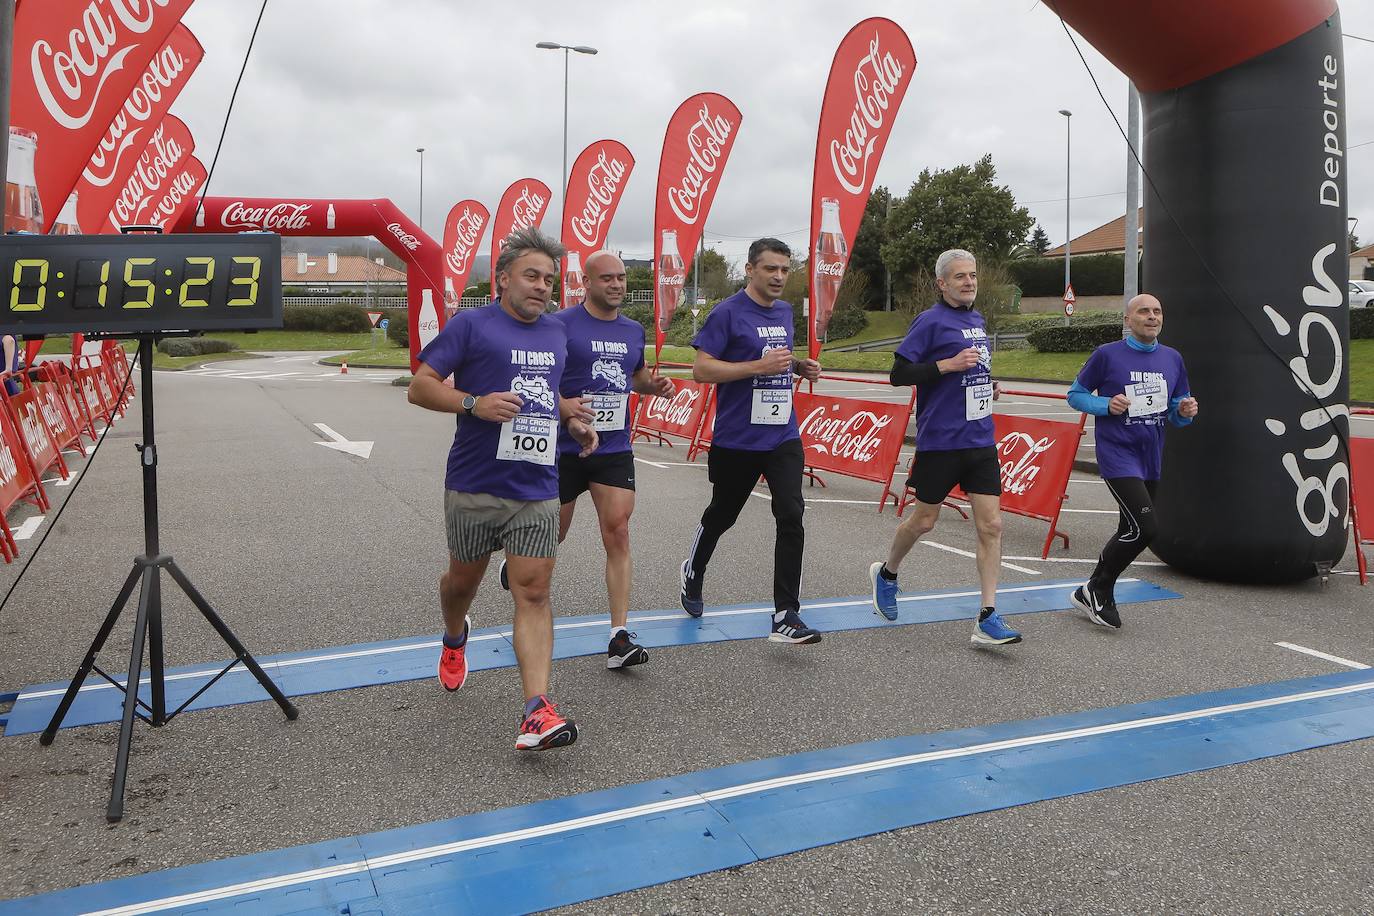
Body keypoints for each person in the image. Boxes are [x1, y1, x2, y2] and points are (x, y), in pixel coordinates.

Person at [408, 227, 599, 751]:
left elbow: (550, 396)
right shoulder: (472, 325)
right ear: (503, 279)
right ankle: (454, 635)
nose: (542, 287)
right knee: (461, 582)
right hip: (475, 483)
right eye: (532, 276)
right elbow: (420, 387)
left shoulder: (558, 333)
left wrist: (573, 421)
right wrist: (473, 403)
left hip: (537, 485)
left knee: (533, 591)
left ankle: (537, 710)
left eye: (550, 280)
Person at [499, 251, 676, 669]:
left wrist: (654, 385)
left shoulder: (634, 330)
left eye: (622, 278)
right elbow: (542, 377)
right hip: (561, 449)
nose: (617, 285)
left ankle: (619, 637)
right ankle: (523, 593)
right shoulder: (559, 324)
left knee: (617, 530)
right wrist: (566, 409)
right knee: (549, 540)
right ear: (587, 282)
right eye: (608, 278)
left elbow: (634, 375)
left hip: (613, 448)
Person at [868, 249, 1022, 646]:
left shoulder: (977, 319)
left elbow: (975, 368)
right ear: (942, 283)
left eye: (972, 275)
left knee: (992, 525)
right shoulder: (930, 322)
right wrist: (946, 366)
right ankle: (887, 573)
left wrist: (989, 384)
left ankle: (987, 616)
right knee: (923, 522)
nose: (969, 282)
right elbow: (898, 375)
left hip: (981, 439)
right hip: (942, 442)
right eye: (960, 277)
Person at [679, 237, 823, 644]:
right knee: (723, 514)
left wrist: (798, 365)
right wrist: (758, 366)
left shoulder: (785, 312)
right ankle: (693, 571)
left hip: (782, 434)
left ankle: (786, 613)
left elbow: (776, 357)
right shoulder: (726, 314)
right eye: (770, 268)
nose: (778, 276)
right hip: (738, 438)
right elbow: (702, 371)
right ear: (750, 269)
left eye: (784, 269)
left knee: (791, 513)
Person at [1066, 293, 1198, 628]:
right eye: (1143, 312)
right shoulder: (1107, 355)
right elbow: (1075, 395)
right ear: (1128, 320)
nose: (1151, 317)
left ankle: (1091, 591)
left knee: (1130, 527)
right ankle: (1099, 588)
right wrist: (1105, 405)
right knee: (1146, 527)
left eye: (1157, 311)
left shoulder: (1172, 358)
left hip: (1150, 455)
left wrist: (1185, 412)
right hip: (1117, 453)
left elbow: (1177, 408)